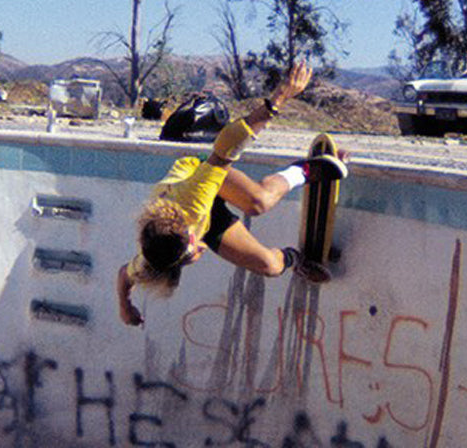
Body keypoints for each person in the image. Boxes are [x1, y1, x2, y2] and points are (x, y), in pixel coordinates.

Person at [116, 61, 348, 326]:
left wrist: (279, 98)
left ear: (190, 235)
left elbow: (227, 147)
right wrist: (125, 307)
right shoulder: (150, 261)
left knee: (258, 202)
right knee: (270, 267)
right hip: (204, 219)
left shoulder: (194, 196)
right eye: (190, 258)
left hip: (197, 171)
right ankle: (297, 259)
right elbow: (124, 276)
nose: (200, 251)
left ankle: (304, 171)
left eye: (193, 250)